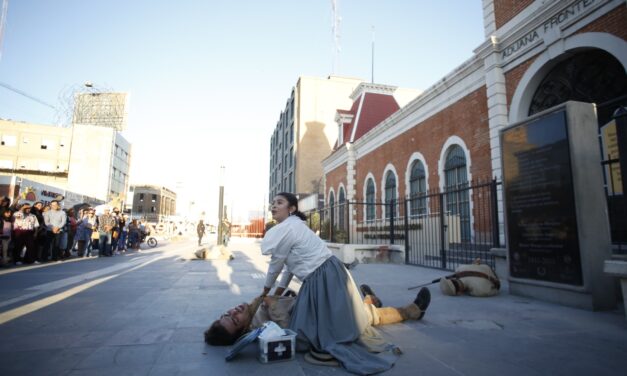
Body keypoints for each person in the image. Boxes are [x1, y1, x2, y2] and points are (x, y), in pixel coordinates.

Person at [256, 192, 400, 374]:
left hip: (324, 276)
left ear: (291, 209)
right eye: (273, 203)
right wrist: (276, 294)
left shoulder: (290, 229)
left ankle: (372, 303)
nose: (273, 207)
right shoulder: (290, 227)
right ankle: (369, 300)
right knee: (307, 329)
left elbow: (276, 263)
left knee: (320, 333)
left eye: (279, 203)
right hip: (318, 278)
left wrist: (266, 290)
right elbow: (288, 268)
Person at [204, 285, 431, 350]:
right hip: (321, 320)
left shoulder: (252, 311)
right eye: (234, 319)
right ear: (243, 330)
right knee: (367, 316)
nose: (233, 311)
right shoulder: (260, 327)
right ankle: (412, 311)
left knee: (350, 298)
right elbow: (287, 332)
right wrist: (273, 306)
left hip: (313, 305)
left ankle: (368, 298)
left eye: (227, 313)